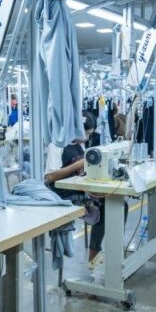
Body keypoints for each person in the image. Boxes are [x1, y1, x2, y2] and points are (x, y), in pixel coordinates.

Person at [44, 114, 122, 268]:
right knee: (104, 209)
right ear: (76, 130)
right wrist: (78, 165)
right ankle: (93, 257)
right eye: (86, 133)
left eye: (90, 134)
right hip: (64, 195)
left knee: (120, 204)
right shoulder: (57, 145)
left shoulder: (80, 145)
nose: (88, 137)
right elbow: (50, 177)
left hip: (80, 189)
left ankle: (115, 250)